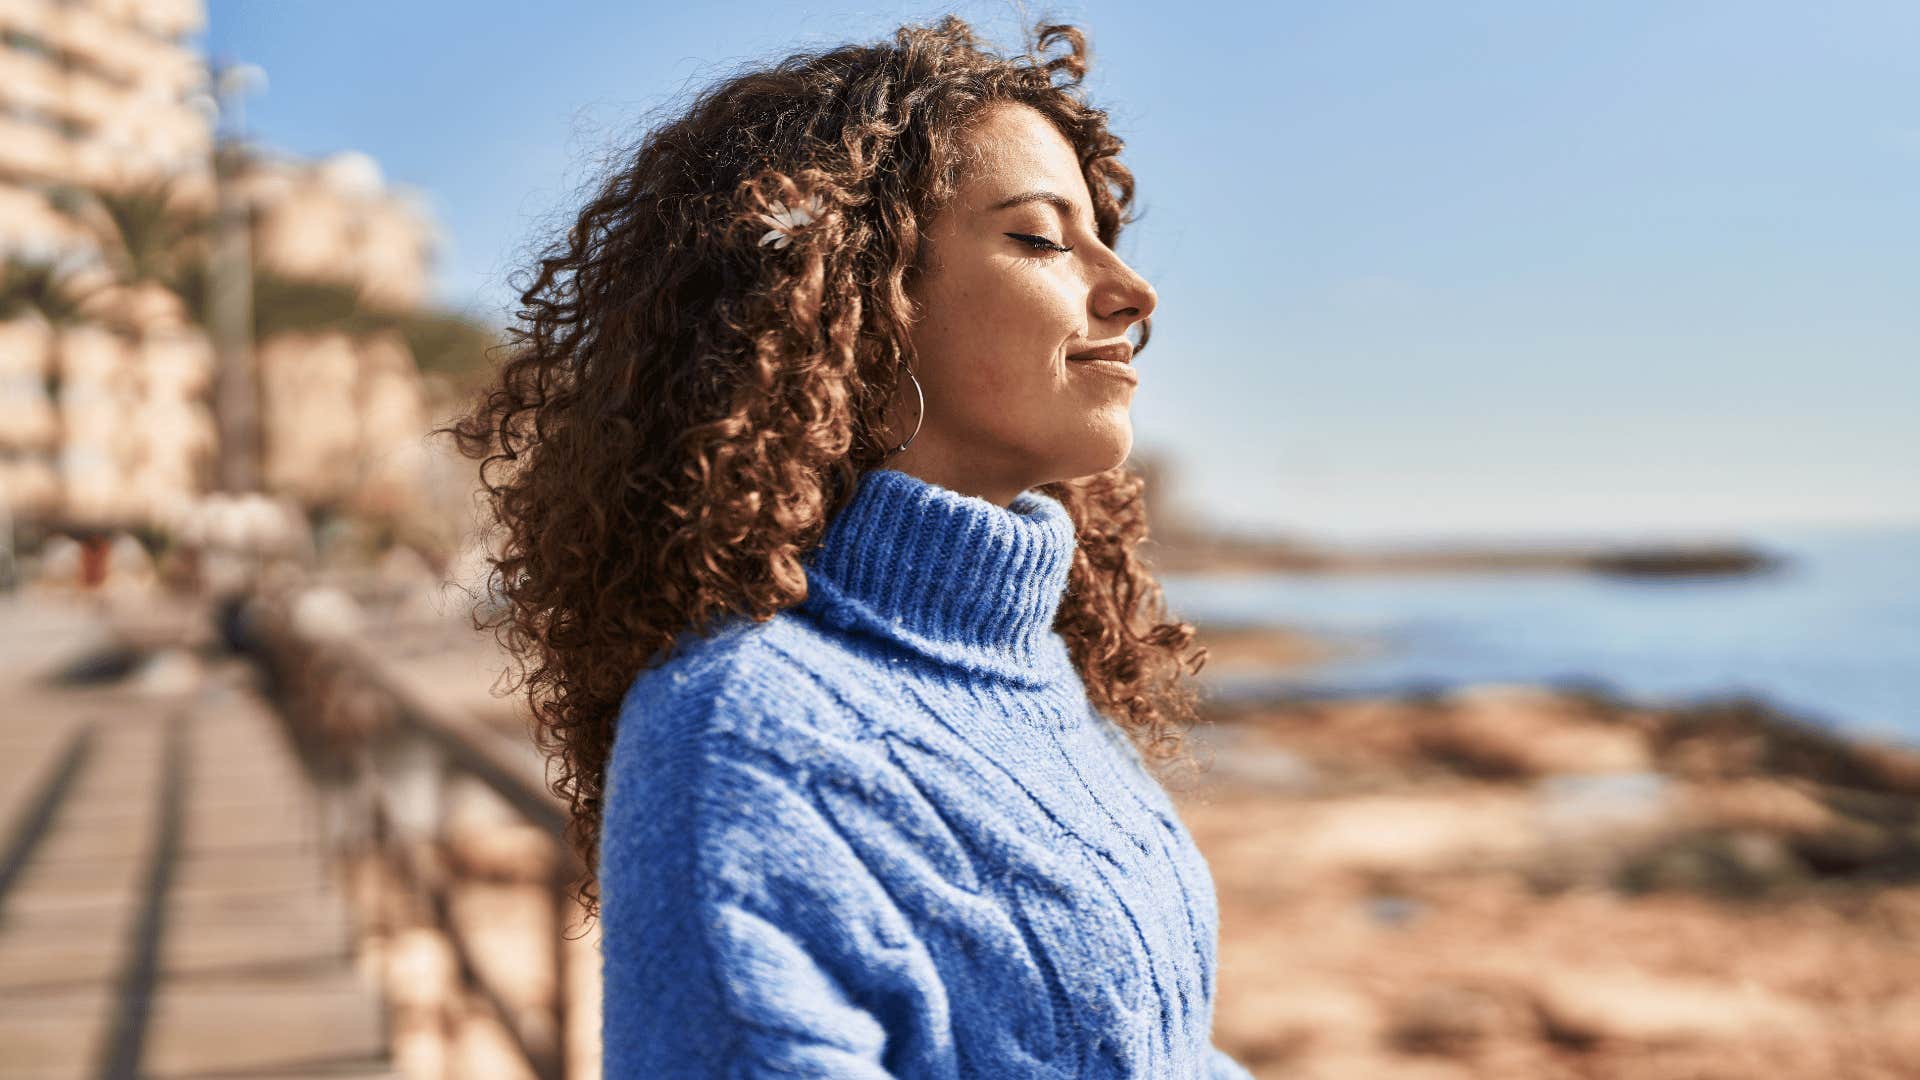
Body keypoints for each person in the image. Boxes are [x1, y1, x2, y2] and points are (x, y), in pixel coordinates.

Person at [444, 14, 1253, 1078]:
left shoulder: (1032, 664)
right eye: (1044, 238)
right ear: (863, 304)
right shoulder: (746, 731)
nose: (1132, 291)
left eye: (1107, 235)